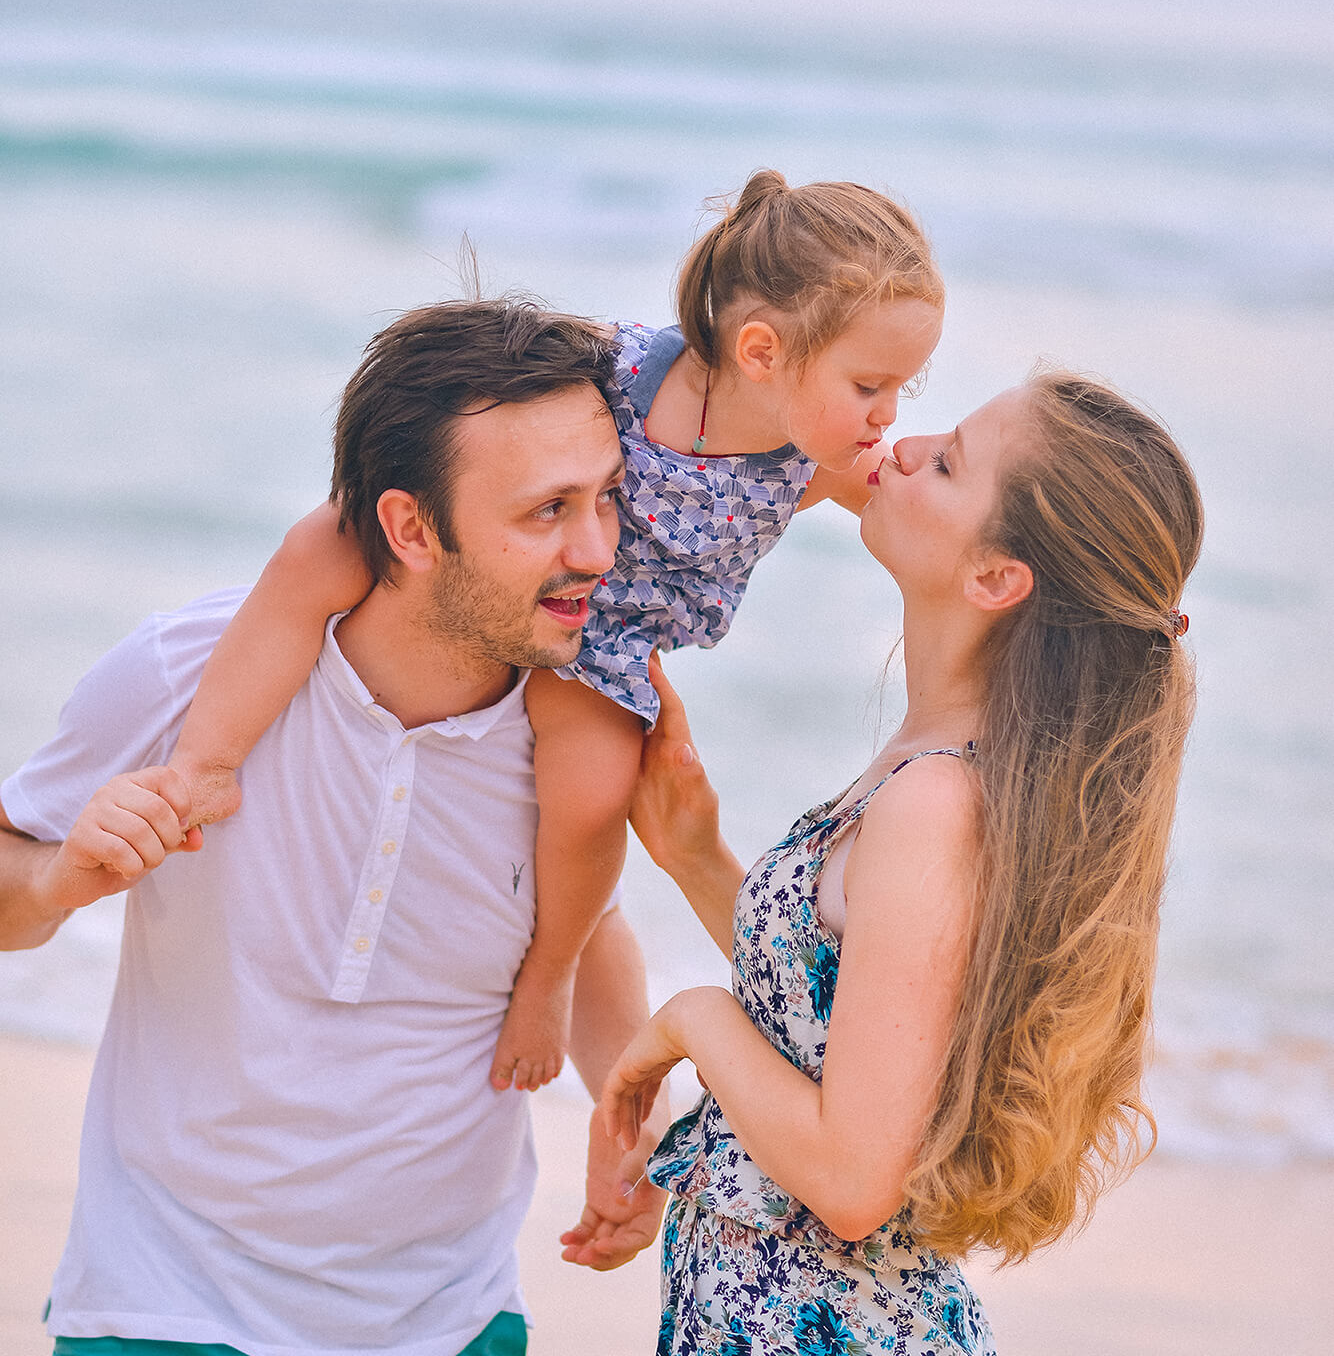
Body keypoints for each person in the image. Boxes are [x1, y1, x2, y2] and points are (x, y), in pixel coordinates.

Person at [0, 298, 669, 1356]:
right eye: (546, 512)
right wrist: (69, 877)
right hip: (160, 1331)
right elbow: (13, 881)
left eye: (606, 500)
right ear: (410, 529)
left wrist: (629, 1113)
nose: (595, 553)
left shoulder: (578, 732)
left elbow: (583, 920)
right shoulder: (192, 674)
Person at [598, 371, 1203, 1356]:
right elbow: (855, 1031)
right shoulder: (945, 766)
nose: (903, 444)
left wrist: (691, 1018)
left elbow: (852, 1175)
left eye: (949, 462)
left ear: (997, 579)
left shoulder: (936, 802)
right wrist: (703, 860)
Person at [165, 171, 945, 1097]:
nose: (887, 415)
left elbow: (912, 506)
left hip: (603, 649)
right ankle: (205, 761)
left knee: (590, 799)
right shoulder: (616, 368)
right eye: (870, 384)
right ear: (762, 351)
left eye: (903, 387)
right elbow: (495, 411)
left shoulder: (812, 459)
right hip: (508, 570)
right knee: (322, 543)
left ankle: (548, 977)